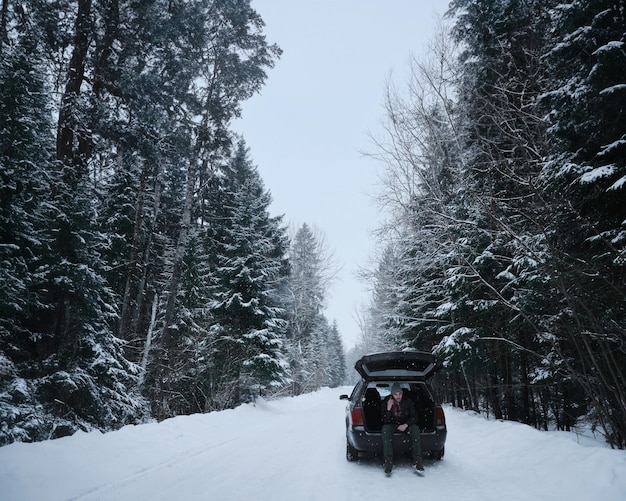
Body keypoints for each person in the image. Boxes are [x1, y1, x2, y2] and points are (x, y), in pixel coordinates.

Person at [381, 382, 423, 474]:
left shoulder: (408, 401)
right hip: (392, 424)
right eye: (395, 394)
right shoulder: (386, 401)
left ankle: (417, 462)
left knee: (415, 429)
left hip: (406, 423)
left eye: (400, 394)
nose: (398, 396)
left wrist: (406, 425)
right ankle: (389, 462)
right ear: (392, 394)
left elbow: (414, 417)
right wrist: (388, 408)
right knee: (385, 430)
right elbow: (384, 420)